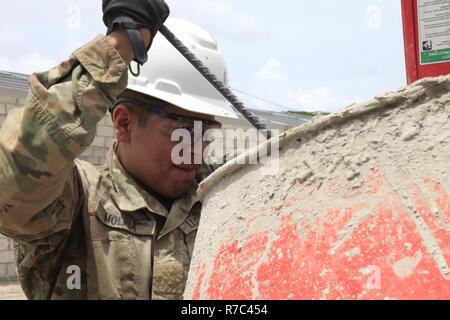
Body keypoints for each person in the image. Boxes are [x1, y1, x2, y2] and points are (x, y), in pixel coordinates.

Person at [0, 0, 236, 300]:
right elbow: (13, 181)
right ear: (124, 124)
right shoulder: (76, 204)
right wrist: (120, 45)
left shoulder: (221, 200)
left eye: (207, 132)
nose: (197, 149)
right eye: (184, 131)